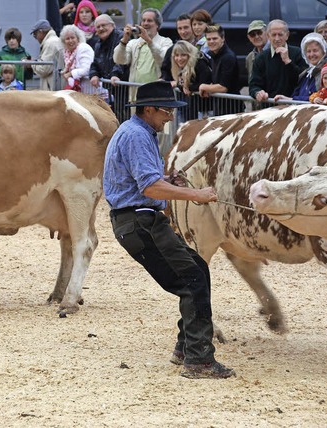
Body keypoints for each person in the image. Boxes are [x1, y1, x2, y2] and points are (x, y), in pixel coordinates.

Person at [102, 80, 235, 380]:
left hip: (138, 221)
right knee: (192, 280)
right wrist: (197, 195)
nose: (170, 116)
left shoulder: (138, 132)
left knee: (197, 268)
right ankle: (199, 361)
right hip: (140, 222)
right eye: (165, 111)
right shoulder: (137, 136)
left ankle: (185, 348)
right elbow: (149, 187)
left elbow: (146, 180)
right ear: (148, 109)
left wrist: (167, 180)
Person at [113, 8, 172, 102]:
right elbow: (119, 59)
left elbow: (162, 59)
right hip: (136, 95)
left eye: (149, 20)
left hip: (157, 95)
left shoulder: (166, 42)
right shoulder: (133, 43)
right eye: (143, 20)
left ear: (157, 24)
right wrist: (124, 40)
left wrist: (149, 41)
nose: (145, 23)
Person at [248, 19, 307, 102]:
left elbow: (303, 81)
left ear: (287, 35)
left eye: (280, 35)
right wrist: (258, 93)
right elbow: (253, 85)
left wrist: (288, 62)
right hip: (269, 107)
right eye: (273, 35)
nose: (277, 38)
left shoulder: (298, 53)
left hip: (293, 106)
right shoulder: (261, 57)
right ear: (268, 36)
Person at [198, 24, 242, 116]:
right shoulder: (213, 55)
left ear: (222, 38)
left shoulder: (228, 57)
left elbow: (223, 87)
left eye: (215, 38)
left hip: (232, 110)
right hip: (220, 107)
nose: (211, 41)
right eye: (209, 39)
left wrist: (204, 87)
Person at [274, 32, 327, 102]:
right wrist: (286, 99)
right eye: (308, 51)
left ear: (324, 52)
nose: (311, 54)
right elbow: (296, 95)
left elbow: (320, 98)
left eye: (315, 50)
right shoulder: (306, 73)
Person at [170, 40, 211, 121]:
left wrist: (188, 87)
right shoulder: (181, 67)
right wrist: (183, 86)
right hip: (189, 110)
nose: (179, 58)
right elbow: (180, 83)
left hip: (204, 110)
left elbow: (204, 84)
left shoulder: (200, 63)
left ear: (190, 55)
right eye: (176, 55)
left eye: (183, 55)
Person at [160, 13, 194, 84]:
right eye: (180, 28)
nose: (183, 32)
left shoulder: (202, 47)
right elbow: (165, 71)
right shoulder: (172, 50)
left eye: (186, 27)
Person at [30, 19, 63, 91]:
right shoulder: (54, 40)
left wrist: (31, 64)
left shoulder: (50, 43)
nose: (36, 38)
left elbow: (43, 69)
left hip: (52, 88)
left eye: (35, 35)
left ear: (40, 31)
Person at [59, 24, 93, 91]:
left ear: (78, 38)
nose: (70, 41)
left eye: (73, 37)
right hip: (81, 91)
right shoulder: (67, 53)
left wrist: (70, 73)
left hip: (92, 90)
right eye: (67, 39)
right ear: (64, 41)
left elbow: (87, 69)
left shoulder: (83, 48)